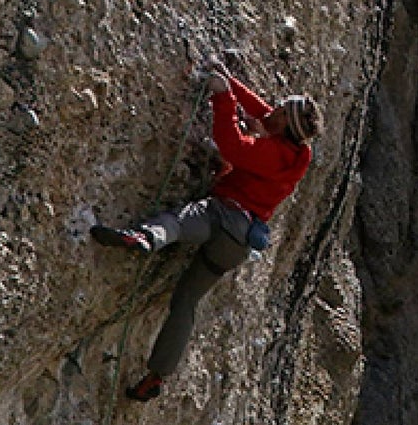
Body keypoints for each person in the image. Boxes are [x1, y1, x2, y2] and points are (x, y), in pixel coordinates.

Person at [91, 62, 320, 401]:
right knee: (186, 300)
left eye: (282, 109)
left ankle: (145, 238)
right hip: (238, 244)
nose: (274, 108)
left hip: (222, 216)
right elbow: (264, 112)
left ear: (286, 123)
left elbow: (233, 148)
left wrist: (223, 99)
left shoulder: (273, 153)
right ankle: (156, 376)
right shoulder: (297, 151)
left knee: (181, 219)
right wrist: (229, 83)